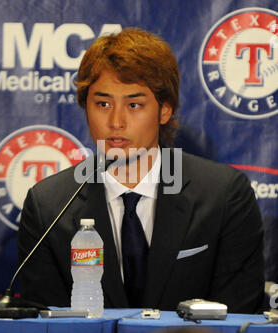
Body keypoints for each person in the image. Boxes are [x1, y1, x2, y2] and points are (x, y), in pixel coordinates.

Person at [18, 28, 265, 313]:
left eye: (134, 104)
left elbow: (238, 318)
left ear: (164, 110)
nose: (116, 122)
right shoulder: (49, 206)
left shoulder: (223, 196)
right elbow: (47, 325)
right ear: (86, 107)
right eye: (103, 104)